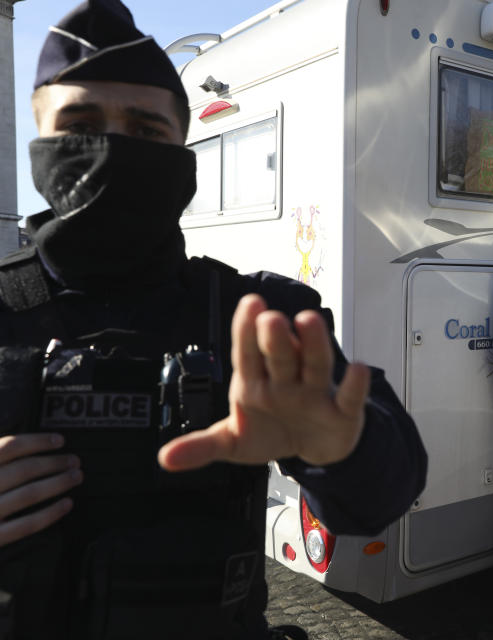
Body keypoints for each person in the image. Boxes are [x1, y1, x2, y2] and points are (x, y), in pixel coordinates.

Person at [0, 1, 427, 638]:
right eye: (82, 124)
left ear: (185, 157)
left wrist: (343, 448)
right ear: (40, 148)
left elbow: (384, 498)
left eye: (145, 131)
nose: (114, 148)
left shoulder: (259, 318)